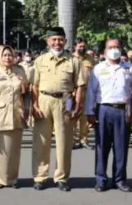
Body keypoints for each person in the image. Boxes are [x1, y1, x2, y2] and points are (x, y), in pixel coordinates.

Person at [31, 27, 86, 192]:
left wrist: (77, 106)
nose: (57, 42)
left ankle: (61, 177)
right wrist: (34, 104)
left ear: (65, 41)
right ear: (48, 41)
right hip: (44, 101)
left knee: (64, 142)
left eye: (60, 39)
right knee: (41, 142)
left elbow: (81, 86)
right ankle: (40, 177)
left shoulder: (74, 61)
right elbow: (34, 85)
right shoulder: (40, 60)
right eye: (54, 39)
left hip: (65, 102)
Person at [85, 38, 132, 192]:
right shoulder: (98, 68)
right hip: (103, 110)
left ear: (121, 49)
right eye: (111, 47)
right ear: (104, 51)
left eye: (117, 46)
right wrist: (89, 112)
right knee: (102, 146)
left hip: (122, 111)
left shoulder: (130, 69)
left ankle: (120, 179)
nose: (114, 49)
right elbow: (91, 92)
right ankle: (101, 179)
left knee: (121, 147)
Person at [0, 45, 27, 189]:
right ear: (0, 57)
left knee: (14, 150)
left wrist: (26, 112)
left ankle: (12, 178)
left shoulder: (20, 72)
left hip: (16, 115)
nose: (8, 58)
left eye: (10, 55)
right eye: (5, 55)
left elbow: (25, 94)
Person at [73, 37, 94, 150]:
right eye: (80, 46)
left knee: (84, 117)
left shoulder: (90, 59)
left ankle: (83, 139)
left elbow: (94, 75)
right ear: (75, 47)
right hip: (73, 92)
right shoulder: (70, 58)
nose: (82, 48)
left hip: (86, 91)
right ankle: (72, 140)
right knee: (72, 116)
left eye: (84, 46)